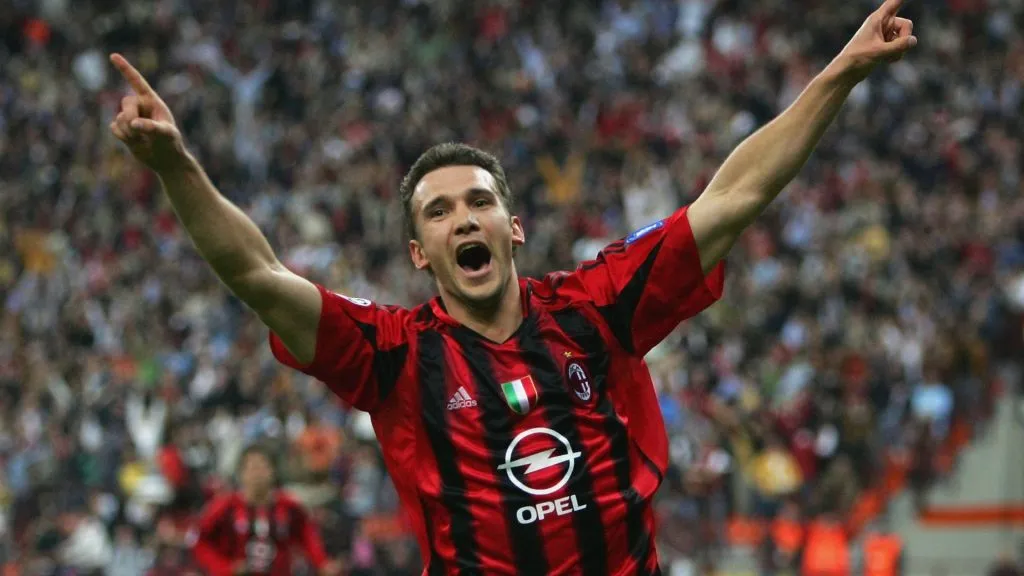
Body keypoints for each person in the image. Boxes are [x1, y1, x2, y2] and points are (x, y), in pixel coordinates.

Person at [107, 0, 916, 572]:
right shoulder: (393, 354)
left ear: (512, 226)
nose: (464, 220)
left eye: (479, 203)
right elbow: (257, 273)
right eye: (440, 212)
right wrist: (178, 165)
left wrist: (841, 72)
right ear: (419, 251)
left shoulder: (596, 306)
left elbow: (733, 198)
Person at [191, 445, 339, 576]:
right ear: (241, 474)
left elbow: (307, 534)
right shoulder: (225, 506)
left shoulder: (288, 506)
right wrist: (225, 568)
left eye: (263, 467)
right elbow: (199, 541)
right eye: (253, 468)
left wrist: (322, 563)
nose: (258, 474)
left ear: (273, 471)